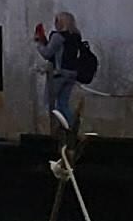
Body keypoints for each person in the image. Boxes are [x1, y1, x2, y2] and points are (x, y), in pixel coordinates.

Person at [37, 10, 98, 138]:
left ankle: (58, 131)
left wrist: (39, 43)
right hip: (72, 73)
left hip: (59, 73)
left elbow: (47, 53)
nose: (55, 23)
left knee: (50, 104)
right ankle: (72, 128)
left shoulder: (58, 36)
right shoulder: (76, 36)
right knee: (63, 103)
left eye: (57, 21)